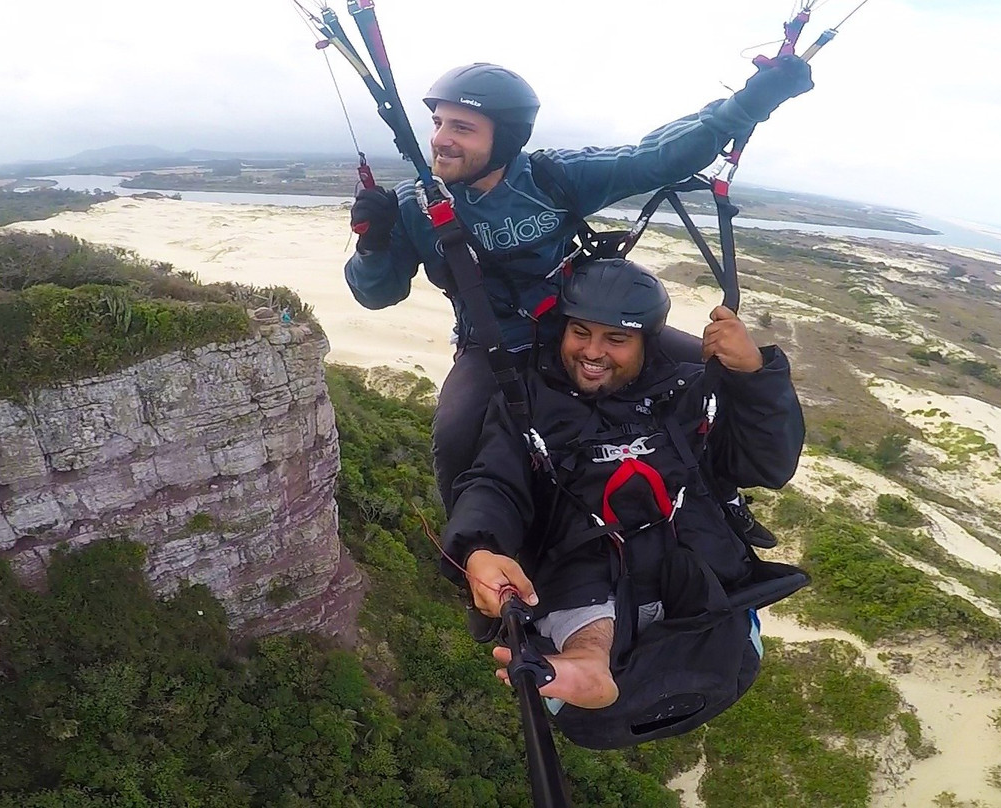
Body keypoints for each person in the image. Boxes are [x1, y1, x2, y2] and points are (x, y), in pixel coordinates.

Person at [344, 58, 813, 526]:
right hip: (492, 347)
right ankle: (480, 555)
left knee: (722, 373)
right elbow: (378, 294)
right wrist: (372, 244)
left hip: (582, 330)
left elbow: (656, 158)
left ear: (504, 138)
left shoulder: (550, 179)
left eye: (462, 127)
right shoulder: (415, 205)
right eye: (439, 123)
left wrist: (751, 102)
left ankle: (719, 494)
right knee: (456, 437)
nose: (441, 138)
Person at [439, 259, 805, 709]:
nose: (593, 352)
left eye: (616, 339)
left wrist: (755, 378)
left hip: (688, 558)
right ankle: (589, 661)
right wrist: (479, 546)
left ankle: (685, 643)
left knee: (697, 557)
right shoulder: (528, 403)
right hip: (586, 567)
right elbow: (496, 480)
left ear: (646, 344)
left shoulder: (685, 392)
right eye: (581, 333)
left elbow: (765, 466)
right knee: (585, 586)